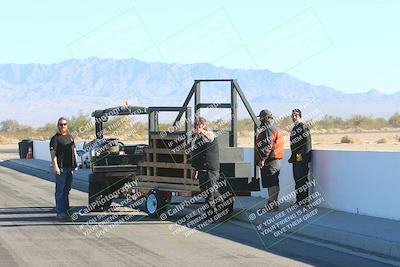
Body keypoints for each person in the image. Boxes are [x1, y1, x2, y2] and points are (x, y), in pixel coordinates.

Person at [191, 116, 224, 222]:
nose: (197, 127)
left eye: (199, 125)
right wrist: (195, 170)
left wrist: (201, 131)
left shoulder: (209, 133)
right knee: (210, 192)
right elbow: (196, 155)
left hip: (211, 169)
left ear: (204, 125)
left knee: (209, 193)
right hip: (202, 169)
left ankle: (211, 216)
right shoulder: (197, 138)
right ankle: (223, 209)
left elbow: (210, 137)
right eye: (195, 125)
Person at [50, 117, 77, 219]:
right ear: (58, 126)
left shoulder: (70, 137)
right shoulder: (55, 139)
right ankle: (60, 211)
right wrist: (55, 167)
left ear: (67, 125)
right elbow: (53, 154)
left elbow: (73, 152)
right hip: (61, 168)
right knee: (60, 190)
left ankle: (66, 210)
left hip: (70, 167)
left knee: (67, 190)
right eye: (61, 124)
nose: (63, 126)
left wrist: (75, 165)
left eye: (64, 124)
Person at [256, 109, 281, 212]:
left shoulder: (268, 129)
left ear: (266, 117)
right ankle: (273, 203)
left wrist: (262, 158)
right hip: (274, 159)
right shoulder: (273, 127)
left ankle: (272, 204)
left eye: (261, 117)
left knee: (271, 182)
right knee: (273, 181)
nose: (260, 120)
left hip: (270, 160)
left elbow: (267, 145)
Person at [288, 109, 312, 206]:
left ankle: (304, 201)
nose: (294, 117)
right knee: (297, 180)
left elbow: (307, 143)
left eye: (296, 115)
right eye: (292, 115)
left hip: (302, 158)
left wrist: (302, 156)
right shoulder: (295, 127)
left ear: (300, 116)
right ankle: (299, 201)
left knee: (302, 179)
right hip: (295, 158)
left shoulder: (303, 127)